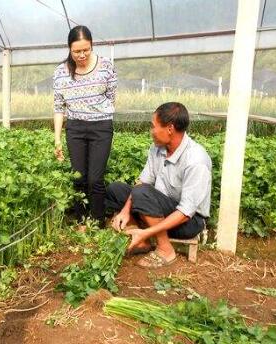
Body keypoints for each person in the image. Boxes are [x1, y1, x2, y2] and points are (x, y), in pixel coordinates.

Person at [106, 102, 212, 268]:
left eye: (153, 126)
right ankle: (141, 241)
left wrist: (147, 230)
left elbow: (186, 212)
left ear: (170, 129)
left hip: (188, 222)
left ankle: (165, 249)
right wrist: (126, 212)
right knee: (116, 190)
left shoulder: (196, 160)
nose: (151, 132)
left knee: (141, 193)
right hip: (160, 208)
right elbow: (144, 182)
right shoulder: (157, 148)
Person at [53, 25, 117, 230]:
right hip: (75, 128)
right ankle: (81, 221)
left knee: (95, 178)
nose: (81, 55)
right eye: (76, 51)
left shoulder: (106, 66)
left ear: (92, 46)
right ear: (69, 49)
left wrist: (98, 114)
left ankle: (98, 222)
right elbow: (58, 107)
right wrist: (57, 139)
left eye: (86, 50)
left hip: (101, 127)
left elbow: (111, 97)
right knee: (78, 176)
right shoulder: (61, 72)